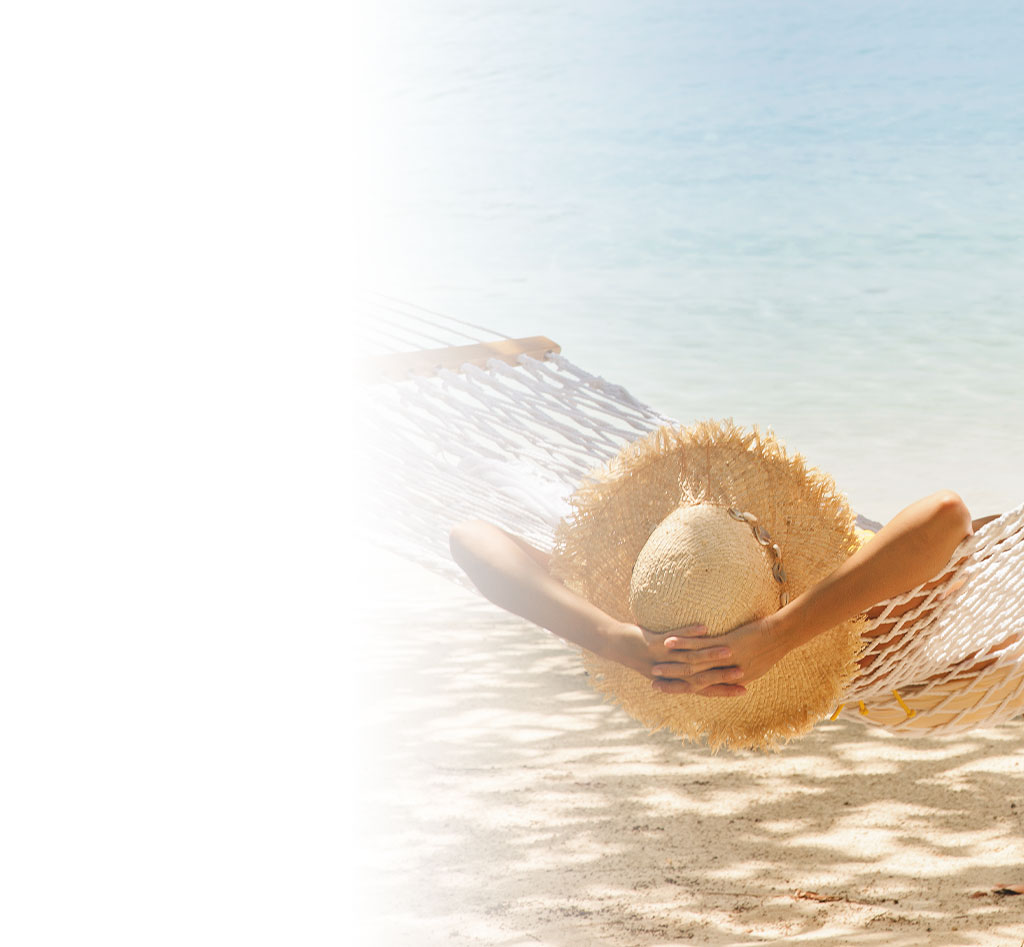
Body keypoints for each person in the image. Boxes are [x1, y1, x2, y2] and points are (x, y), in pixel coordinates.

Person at [450, 491, 998, 699]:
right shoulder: (870, 632)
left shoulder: (643, 604)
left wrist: (616, 639)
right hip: (890, 593)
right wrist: (780, 636)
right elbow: (946, 518)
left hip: (825, 563)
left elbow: (471, 538)